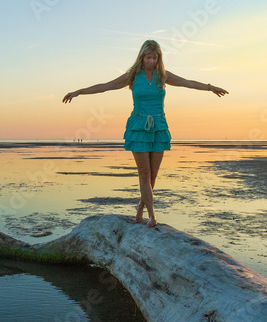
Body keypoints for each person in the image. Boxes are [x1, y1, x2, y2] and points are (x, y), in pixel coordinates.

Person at [62, 40, 228, 228]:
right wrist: (78, 92)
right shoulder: (133, 76)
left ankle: (141, 207)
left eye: (154, 57)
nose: (151, 61)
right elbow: (104, 86)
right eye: (148, 57)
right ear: (142, 57)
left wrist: (210, 87)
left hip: (159, 127)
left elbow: (187, 82)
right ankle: (152, 214)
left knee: (153, 176)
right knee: (144, 172)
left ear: (159, 58)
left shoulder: (162, 76)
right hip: (139, 127)